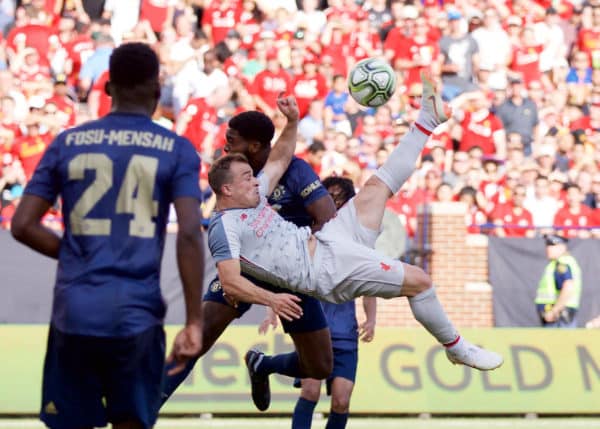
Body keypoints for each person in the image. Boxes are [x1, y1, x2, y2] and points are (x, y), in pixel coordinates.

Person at [207, 73, 504, 407]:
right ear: (227, 189)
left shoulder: (255, 197)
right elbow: (231, 282)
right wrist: (272, 300)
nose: (256, 181)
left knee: (378, 186)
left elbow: (281, 156)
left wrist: (291, 121)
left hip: (329, 241)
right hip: (325, 271)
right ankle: (457, 348)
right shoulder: (223, 226)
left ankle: (426, 121)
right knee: (420, 281)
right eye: (247, 178)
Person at [10, 43, 205, 429]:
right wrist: (195, 321)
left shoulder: (66, 143)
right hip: (137, 314)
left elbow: (22, 225)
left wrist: (75, 253)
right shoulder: (177, 149)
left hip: (75, 311)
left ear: (108, 88)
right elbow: (187, 234)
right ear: (156, 89)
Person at [161, 102, 338, 411]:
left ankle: (263, 365)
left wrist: (309, 259)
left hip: (291, 273)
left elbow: (327, 218)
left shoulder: (291, 172)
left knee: (320, 367)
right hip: (243, 267)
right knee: (197, 340)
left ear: (254, 145)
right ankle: (144, 408)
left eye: (233, 139)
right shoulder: (232, 169)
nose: (225, 143)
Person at [283, 176, 377, 429]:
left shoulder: (358, 239)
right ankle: (263, 364)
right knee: (310, 392)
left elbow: (370, 280)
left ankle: (263, 364)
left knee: (341, 402)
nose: (333, 202)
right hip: (314, 329)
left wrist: (371, 319)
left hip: (346, 333)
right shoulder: (305, 233)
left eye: (339, 198)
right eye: (329, 196)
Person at [535, 234, 582, 328]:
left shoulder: (562, 263)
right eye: (547, 245)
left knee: (558, 342)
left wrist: (554, 311)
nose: (548, 248)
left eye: (552, 245)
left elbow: (568, 286)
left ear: (562, 247)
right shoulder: (562, 262)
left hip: (558, 317)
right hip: (558, 315)